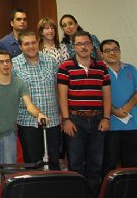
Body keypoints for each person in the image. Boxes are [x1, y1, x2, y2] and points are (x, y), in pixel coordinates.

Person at [0, 51, 47, 198]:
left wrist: (39, 114)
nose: (5, 64)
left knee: (10, 172)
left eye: (8, 61)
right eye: (1, 62)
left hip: (9, 133)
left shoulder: (19, 83)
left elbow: (29, 105)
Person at [58, 31, 110, 195]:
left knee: (96, 164)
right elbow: (62, 95)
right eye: (79, 44)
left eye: (86, 43)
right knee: (76, 164)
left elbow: (107, 95)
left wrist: (106, 118)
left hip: (97, 121)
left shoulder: (101, 66)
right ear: (74, 47)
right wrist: (66, 120)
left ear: (92, 45)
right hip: (75, 120)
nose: (83, 47)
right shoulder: (65, 66)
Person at [13, 31, 61, 170]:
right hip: (27, 121)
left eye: (33, 42)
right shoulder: (14, 65)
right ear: (20, 46)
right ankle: (35, 191)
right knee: (32, 162)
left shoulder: (51, 61)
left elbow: (58, 89)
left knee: (53, 160)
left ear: (38, 43)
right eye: (26, 44)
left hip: (52, 119)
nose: (31, 46)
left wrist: (61, 114)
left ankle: (53, 190)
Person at [99, 39, 137, 176]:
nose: (112, 53)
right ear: (101, 54)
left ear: (120, 51)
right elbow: (98, 96)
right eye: (107, 50)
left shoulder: (131, 69)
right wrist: (114, 111)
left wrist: (128, 106)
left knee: (132, 165)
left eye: (115, 49)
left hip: (133, 125)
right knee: (109, 165)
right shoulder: (99, 72)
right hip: (110, 126)